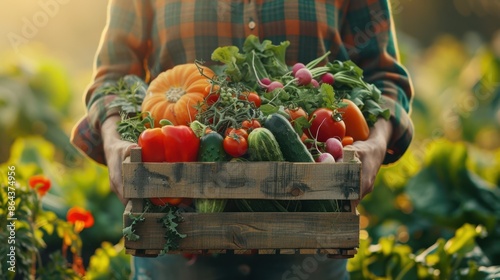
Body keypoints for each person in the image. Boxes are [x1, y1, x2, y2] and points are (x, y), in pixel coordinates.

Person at [71, 0, 414, 279]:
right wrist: (114, 140)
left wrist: (375, 143)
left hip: (311, 242)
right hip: (176, 239)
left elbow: (383, 76)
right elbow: (114, 76)